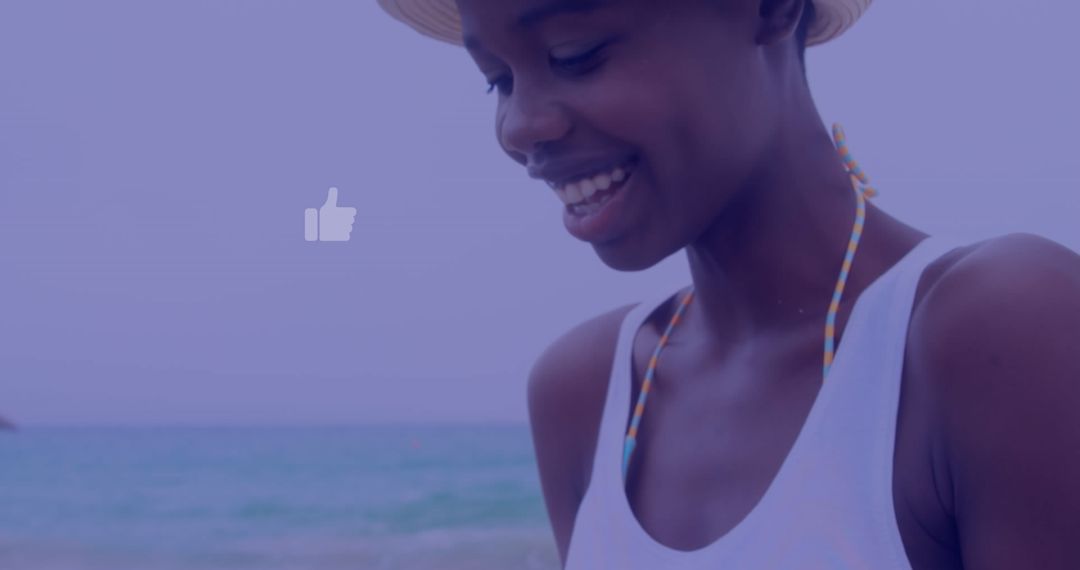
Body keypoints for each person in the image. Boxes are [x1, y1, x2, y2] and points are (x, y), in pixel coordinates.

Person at [378, 1, 1080, 568]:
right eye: (499, 78)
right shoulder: (588, 392)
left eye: (574, 54)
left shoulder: (997, 332)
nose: (522, 126)